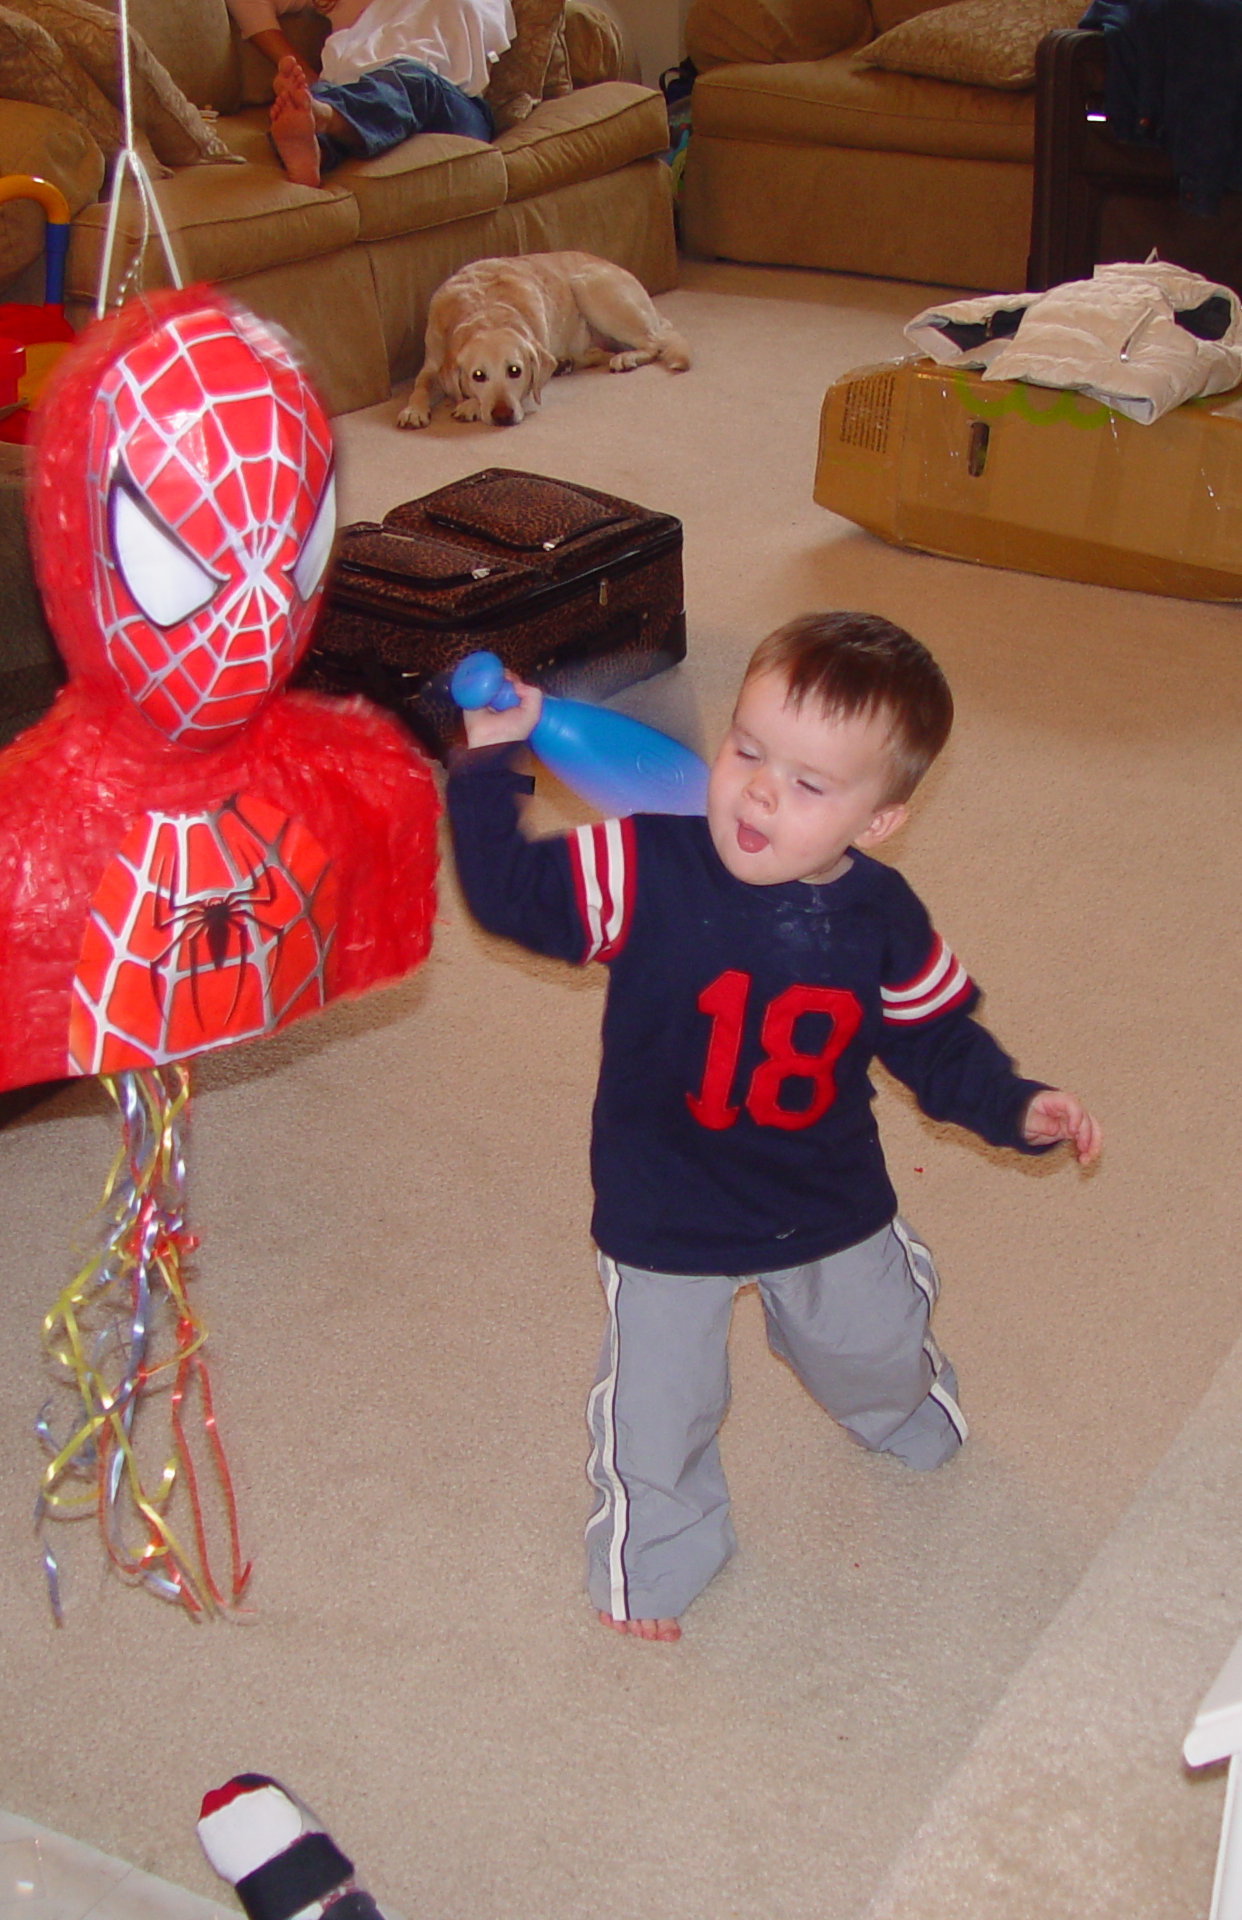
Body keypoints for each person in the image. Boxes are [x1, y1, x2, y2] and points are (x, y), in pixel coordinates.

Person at [447, 612, 1102, 1641]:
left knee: (868, 1351)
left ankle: (905, 1397)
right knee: (655, 1417)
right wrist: (493, 764)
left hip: (824, 1201)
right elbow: (510, 898)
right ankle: (658, 1561)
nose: (759, 789)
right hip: (664, 1209)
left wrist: (1017, 1106)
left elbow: (935, 1042)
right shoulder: (643, 863)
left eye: (809, 784)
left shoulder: (880, 916)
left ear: (877, 821)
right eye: (747, 750)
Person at [228, 0, 510, 188]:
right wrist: (300, 71)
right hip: (354, 87)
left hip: (450, 103)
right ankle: (314, 146)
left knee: (412, 81)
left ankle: (326, 119)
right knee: (309, 106)